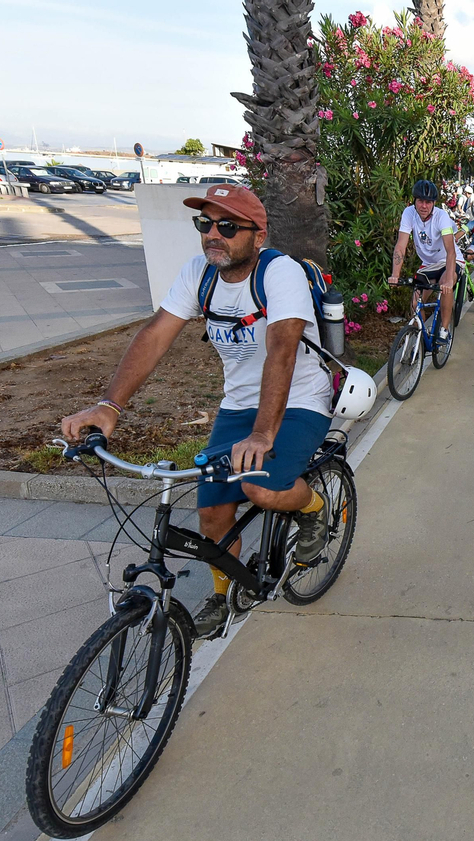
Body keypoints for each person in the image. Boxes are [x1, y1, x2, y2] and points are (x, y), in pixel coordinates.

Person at [58, 185, 335, 639]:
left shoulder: (279, 273)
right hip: (238, 407)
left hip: (299, 399)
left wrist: (264, 434)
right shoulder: (199, 274)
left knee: (261, 488)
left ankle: (314, 509)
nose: (213, 234)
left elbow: (282, 350)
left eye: (227, 226)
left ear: (258, 235)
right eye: (204, 224)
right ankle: (224, 595)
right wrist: (110, 406)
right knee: (211, 514)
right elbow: (155, 335)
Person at [388, 179, 458, 340]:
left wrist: (448, 280)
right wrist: (395, 274)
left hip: (449, 261)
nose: (424, 206)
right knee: (415, 303)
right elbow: (400, 246)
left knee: (445, 285)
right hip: (428, 264)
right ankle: (421, 336)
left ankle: (444, 329)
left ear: (434, 203)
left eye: (428, 202)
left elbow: (451, 251)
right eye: (420, 201)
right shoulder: (409, 213)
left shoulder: (442, 217)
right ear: (415, 201)